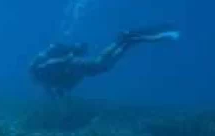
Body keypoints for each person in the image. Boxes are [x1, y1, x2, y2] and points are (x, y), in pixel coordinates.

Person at [29, 25, 180, 97]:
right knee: (103, 66)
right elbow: (55, 85)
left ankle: (124, 40)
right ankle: (126, 42)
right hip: (75, 68)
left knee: (99, 62)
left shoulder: (43, 69)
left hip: (73, 64)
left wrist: (68, 60)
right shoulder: (45, 79)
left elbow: (57, 63)